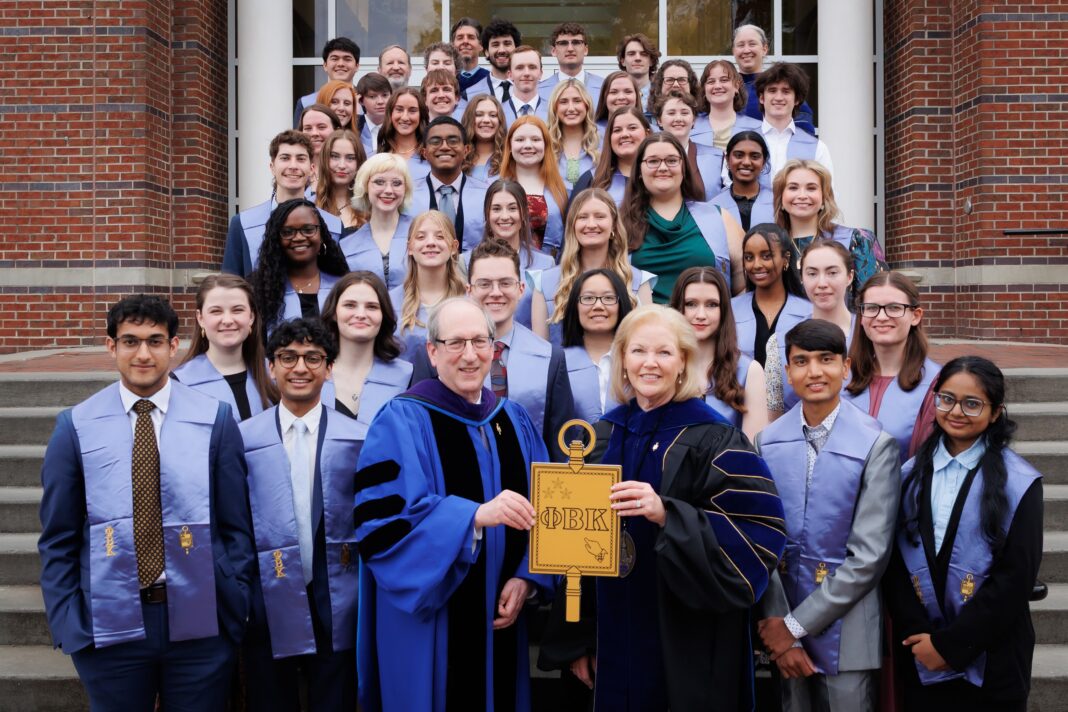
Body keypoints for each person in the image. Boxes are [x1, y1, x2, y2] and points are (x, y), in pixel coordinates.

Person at [544, 303, 786, 710]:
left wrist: (667, 515)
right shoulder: (602, 437)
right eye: (638, 351)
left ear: (683, 363)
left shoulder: (715, 438)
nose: (649, 364)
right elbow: (576, 547)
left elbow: (758, 531)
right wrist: (579, 637)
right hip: (614, 631)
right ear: (622, 361)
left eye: (664, 352)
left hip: (687, 635)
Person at [38, 294, 255, 711]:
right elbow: (58, 536)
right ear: (111, 346)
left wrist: (235, 598)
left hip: (199, 622)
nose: (143, 353)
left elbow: (236, 525)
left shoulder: (215, 418)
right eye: (130, 341)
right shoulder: (76, 425)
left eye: (155, 341)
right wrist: (69, 619)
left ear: (174, 346)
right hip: (107, 624)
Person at [354, 296, 550, 711]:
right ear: (432, 351)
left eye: (480, 342)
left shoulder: (514, 420)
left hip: (501, 616)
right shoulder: (401, 418)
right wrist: (474, 516)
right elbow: (385, 525)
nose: (469, 355)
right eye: (455, 342)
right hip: (431, 621)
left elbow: (547, 511)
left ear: (494, 350)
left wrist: (527, 576)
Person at [756, 319, 900, 712]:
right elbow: (762, 543)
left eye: (826, 360)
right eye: (801, 362)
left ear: (847, 366)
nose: (814, 372)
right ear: (787, 372)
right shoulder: (767, 442)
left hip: (849, 631)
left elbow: (869, 557)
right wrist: (779, 627)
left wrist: (793, 627)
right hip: (782, 622)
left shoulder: (876, 444)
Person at [883, 356, 1043, 712]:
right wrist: (920, 637)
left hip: (995, 659)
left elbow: (1016, 577)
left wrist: (952, 647)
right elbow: (892, 561)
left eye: (972, 403)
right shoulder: (908, 475)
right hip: (921, 653)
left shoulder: (1020, 483)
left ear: (995, 411)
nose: (956, 411)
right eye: (947, 398)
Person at [239, 319, 361, 712]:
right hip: (266, 597)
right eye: (287, 357)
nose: (300, 367)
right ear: (271, 367)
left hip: (337, 596)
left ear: (329, 369)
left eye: (313, 358)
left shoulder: (358, 437)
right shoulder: (243, 438)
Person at [413, 239, 576, 459]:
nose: (496, 292)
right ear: (469, 290)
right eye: (485, 284)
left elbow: (559, 446)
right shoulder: (437, 354)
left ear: (520, 289)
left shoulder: (550, 358)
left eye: (505, 283)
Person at [623, 133, 745, 301]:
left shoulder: (719, 217)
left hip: (706, 323)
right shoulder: (619, 223)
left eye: (672, 160)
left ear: (684, 168)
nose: (663, 167)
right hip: (645, 324)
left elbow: (744, 285)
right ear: (638, 171)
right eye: (653, 161)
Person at [531, 187, 654, 345]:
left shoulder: (638, 281)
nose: (591, 224)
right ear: (572, 226)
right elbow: (541, 351)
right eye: (582, 217)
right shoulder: (544, 283)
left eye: (600, 216)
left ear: (614, 226)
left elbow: (646, 344)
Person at [844, 271, 940, 462]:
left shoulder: (936, 384)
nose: (881, 317)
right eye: (871, 308)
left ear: (916, 316)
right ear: (861, 316)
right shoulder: (843, 376)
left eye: (894, 308)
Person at [222, 130, 342, 279]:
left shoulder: (333, 226)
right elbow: (230, 284)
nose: (293, 166)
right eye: (285, 158)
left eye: (301, 159)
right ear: (272, 167)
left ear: (311, 169)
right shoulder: (243, 224)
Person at [670, 266, 768, 440]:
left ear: (723, 310)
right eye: (691, 304)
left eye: (711, 305)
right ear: (678, 308)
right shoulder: (662, 366)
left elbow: (751, 453)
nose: (701, 314)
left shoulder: (749, 371)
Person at [774, 158, 886, 306]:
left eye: (811, 188)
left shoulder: (857, 240)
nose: (802, 195)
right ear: (781, 198)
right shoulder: (773, 246)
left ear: (824, 197)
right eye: (793, 188)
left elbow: (877, 300)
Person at [765, 237, 856, 419]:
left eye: (832, 273)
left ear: (849, 277)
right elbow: (773, 415)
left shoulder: (870, 335)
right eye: (812, 273)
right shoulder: (779, 342)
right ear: (802, 278)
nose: (822, 283)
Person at [173, 274, 277, 421]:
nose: (227, 320)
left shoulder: (275, 374)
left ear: (251, 317)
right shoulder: (180, 384)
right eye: (216, 311)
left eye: (237, 310)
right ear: (200, 318)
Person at [319, 272, 413, 427]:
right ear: (334, 313)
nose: (361, 314)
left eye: (372, 307)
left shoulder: (406, 376)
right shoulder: (312, 372)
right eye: (350, 305)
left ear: (384, 315)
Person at [250, 198, 350, 336]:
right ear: (276, 239)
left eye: (308, 230)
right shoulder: (259, 290)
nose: (298, 238)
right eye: (287, 232)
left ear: (322, 236)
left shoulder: (343, 286)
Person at [390, 210, 467, 359]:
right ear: (410, 248)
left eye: (440, 236)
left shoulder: (469, 299)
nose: (431, 243)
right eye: (421, 237)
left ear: (453, 247)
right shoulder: (390, 302)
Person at [730, 223, 809, 368]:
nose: (756, 264)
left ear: (785, 258)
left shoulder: (808, 312)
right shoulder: (730, 310)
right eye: (749, 258)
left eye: (766, 256)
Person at [559, 268, 632, 423]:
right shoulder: (558, 362)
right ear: (575, 306)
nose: (598, 305)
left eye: (608, 298)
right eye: (588, 298)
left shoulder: (638, 360)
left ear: (621, 304)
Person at [410, 116, 490, 249]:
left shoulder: (486, 195)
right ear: (424, 153)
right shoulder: (408, 196)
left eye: (453, 141)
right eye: (435, 142)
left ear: (466, 150)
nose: (445, 147)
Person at [340, 152, 414, 290]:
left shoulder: (420, 232)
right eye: (379, 182)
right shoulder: (347, 244)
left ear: (406, 189)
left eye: (397, 183)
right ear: (365, 186)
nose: (388, 190)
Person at [499, 116, 569, 256]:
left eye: (535, 139)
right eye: (520, 140)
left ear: (545, 145)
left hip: (551, 270)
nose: (528, 145)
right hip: (505, 269)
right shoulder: (495, 189)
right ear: (510, 147)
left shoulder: (563, 191)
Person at [757, 63, 833, 186]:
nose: (778, 97)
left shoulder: (817, 148)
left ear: (797, 99)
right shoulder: (742, 142)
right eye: (772, 90)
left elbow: (828, 194)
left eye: (786, 91)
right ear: (761, 98)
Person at [732, 25, 815, 134]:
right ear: (734, 51)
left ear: (765, 49)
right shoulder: (723, 89)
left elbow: (804, 137)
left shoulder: (780, 88)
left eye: (752, 44)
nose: (746, 50)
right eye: (740, 45)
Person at [468, 179, 555, 273]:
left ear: (524, 214)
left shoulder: (545, 264)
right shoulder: (466, 263)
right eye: (496, 209)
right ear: (487, 214)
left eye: (512, 208)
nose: (505, 216)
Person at [570, 106, 651, 206]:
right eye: (617, 130)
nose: (624, 134)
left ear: (647, 134)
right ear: (609, 138)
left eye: (632, 128)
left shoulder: (661, 176)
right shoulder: (591, 179)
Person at [652, 90, 722, 200]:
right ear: (659, 120)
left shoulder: (716, 157)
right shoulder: (648, 157)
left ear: (693, 120)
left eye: (684, 113)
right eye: (671, 113)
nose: (678, 119)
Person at [709, 130, 775, 232]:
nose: (746, 162)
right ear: (727, 159)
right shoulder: (713, 207)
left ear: (764, 162)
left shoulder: (778, 203)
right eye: (739, 155)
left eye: (754, 156)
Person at [693, 59, 762, 152]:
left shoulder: (758, 128)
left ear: (736, 86)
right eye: (711, 81)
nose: (717, 86)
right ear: (704, 89)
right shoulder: (691, 127)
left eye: (724, 80)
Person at [293, 37, 360, 128]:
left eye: (347, 59)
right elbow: (298, 139)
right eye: (334, 59)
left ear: (357, 66)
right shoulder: (306, 102)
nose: (340, 64)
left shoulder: (365, 101)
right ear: (325, 65)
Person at [547, 79, 599, 191]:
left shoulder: (602, 140)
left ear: (587, 105)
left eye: (577, 101)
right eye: (563, 102)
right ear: (555, 108)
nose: (571, 108)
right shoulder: (544, 142)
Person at [538, 23, 603, 110]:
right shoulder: (539, 91)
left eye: (576, 42)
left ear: (586, 50)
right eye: (563, 43)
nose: (570, 49)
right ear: (553, 51)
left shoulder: (604, 88)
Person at [315, 128, 367, 233]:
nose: (342, 165)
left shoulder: (370, 207)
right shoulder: (309, 205)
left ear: (359, 163)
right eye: (334, 156)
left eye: (350, 158)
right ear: (325, 159)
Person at [377, 88, 431, 181]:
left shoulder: (430, 157)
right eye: (399, 110)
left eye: (412, 111)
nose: (405, 117)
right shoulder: (376, 157)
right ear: (390, 113)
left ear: (421, 115)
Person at [461, 94, 507, 182]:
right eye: (479, 115)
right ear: (469, 119)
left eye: (493, 115)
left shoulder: (510, 157)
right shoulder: (458, 157)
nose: (486, 120)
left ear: (500, 121)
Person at [476, 18, 521, 103]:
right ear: (486, 52)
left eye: (507, 44)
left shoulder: (536, 89)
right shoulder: (472, 94)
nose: (501, 50)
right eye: (495, 45)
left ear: (516, 49)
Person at [502, 45, 548, 126]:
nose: (526, 73)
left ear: (541, 73)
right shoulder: (498, 112)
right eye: (519, 68)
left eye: (532, 67)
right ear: (510, 74)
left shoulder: (553, 111)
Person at [591, 71, 642, 136]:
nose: (621, 97)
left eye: (628, 92)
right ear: (604, 97)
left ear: (636, 96)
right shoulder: (590, 132)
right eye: (613, 92)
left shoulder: (653, 131)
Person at [616, 33, 660, 104]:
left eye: (643, 54)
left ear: (651, 61)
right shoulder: (614, 96)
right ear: (623, 61)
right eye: (631, 54)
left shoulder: (662, 95)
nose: (637, 58)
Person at [355, 72, 392, 155]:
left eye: (385, 95)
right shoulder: (354, 127)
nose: (380, 102)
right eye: (372, 96)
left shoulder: (398, 126)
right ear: (361, 100)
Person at [299, 104, 342, 171]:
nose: (314, 133)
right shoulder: (294, 169)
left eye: (321, 127)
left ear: (337, 130)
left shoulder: (346, 168)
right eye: (308, 128)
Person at [451, 17, 488, 91]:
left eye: (471, 37)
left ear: (481, 45)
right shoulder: (447, 80)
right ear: (452, 45)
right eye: (460, 38)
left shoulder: (490, 80)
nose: (465, 41)